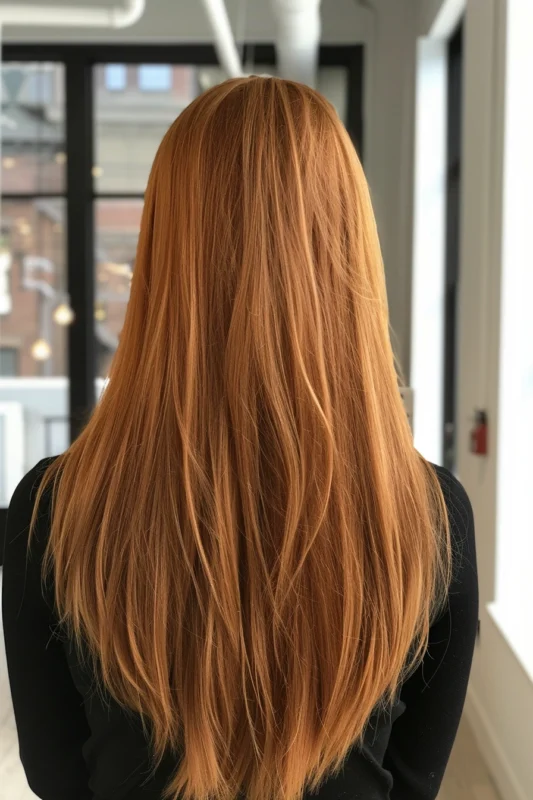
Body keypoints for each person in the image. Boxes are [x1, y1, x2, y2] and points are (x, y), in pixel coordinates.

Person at [2, 76, 478, 800]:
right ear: (347, 248)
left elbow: (57, 776)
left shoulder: (51, 509)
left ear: (164, 253)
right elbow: (411, 781)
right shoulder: (430, 514)